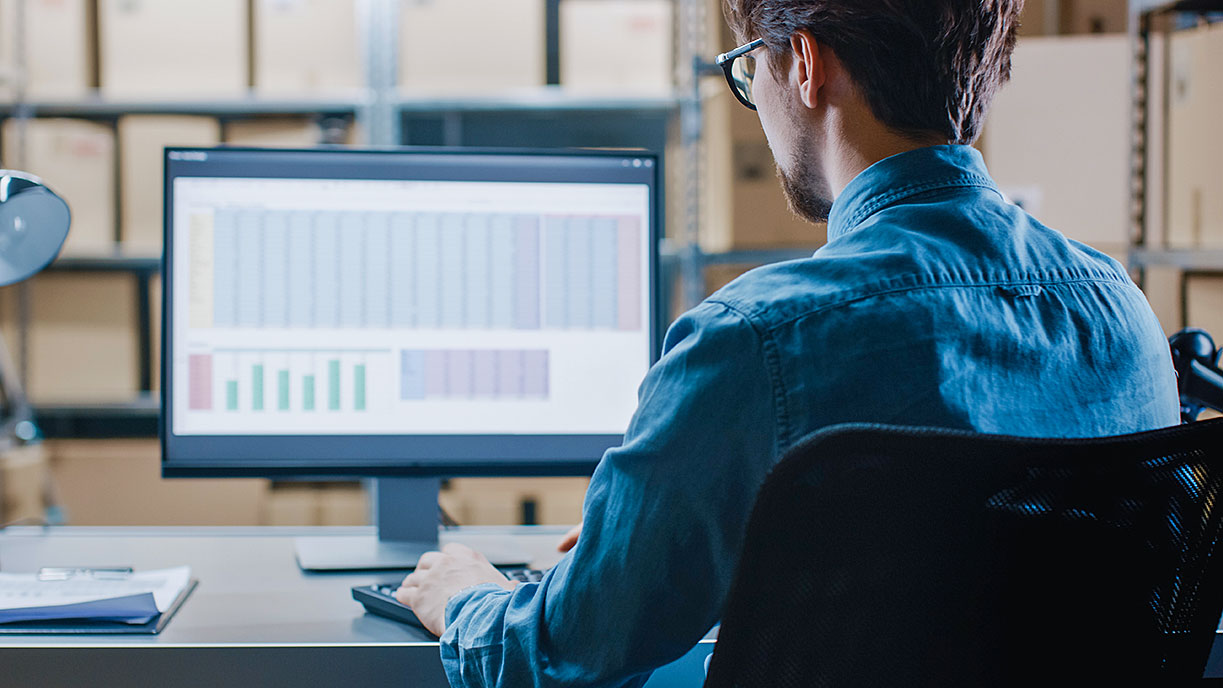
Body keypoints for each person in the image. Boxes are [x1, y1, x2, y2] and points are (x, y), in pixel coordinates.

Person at [397, 1, 1181, 686]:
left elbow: (557, 658)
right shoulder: (1122, 312)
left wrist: (465, 593)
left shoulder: (754, 341)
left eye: (748, 70)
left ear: (805, 65)